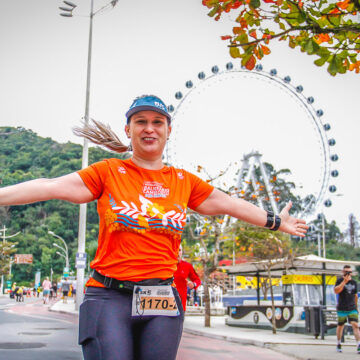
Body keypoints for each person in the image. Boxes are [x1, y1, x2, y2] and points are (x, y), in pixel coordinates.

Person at [0, 94, 308, 360]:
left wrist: (277, 222)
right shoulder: (107, 172)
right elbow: (49, 185)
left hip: (160, 298)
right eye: (141, 121)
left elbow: (230, 204)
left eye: (158, 122)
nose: (149, 128)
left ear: (168, 130)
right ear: (128, 129)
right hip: (109, 297)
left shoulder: (184, 182)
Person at [334, 265, 360, 353]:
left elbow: (355, 295)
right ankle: (338, 343)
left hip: (352, 307)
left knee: (355, 325)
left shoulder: (354, 282)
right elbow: (336, 291)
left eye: (349, 272)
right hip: (342, 307)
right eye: (346, 272)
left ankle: (358, 344)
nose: (348, 273)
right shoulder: (339, 281)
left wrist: (356, 306)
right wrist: (344, 282)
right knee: (341, 325)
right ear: (343, 272)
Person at [174, 245, 201, 311]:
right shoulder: (165, 266)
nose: (177, 252)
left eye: (179, 250)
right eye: (175, 249)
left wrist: (193, 284)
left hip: (181, 306)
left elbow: (197, 280)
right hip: (164, 306)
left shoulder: (187, 266)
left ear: (182, 252)